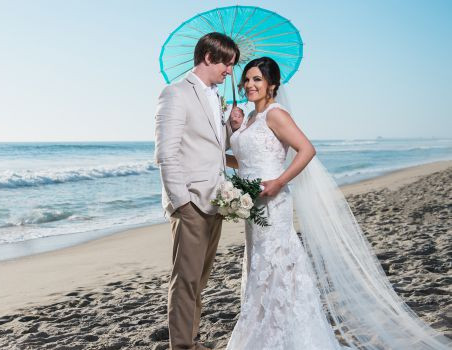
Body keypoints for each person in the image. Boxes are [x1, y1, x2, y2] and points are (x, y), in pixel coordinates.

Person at [225, 56, 451, 349]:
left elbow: (307, 149)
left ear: (272, 85)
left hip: (273, 201)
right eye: (248, 79)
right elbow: (243, 161)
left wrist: (280, 181)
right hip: (252, 205)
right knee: (259, 267)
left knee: (276, 265)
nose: (250, 84)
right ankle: (264, 331)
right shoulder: (249, 118)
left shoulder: (275, 115)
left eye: (258, 79)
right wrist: (229, 136)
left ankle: (283, 335)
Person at [154, 32, 239, 350]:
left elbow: (216, 148)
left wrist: (231, 126)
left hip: (215, 200)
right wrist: (182, 203)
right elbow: (166, 153)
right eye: (228, 63)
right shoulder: (175, 94)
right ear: (208, 57)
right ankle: (183, 346)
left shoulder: (216, 98)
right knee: (186, 280)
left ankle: (190, 340)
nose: (230, 71)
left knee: (199, 280)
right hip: (189, 202)